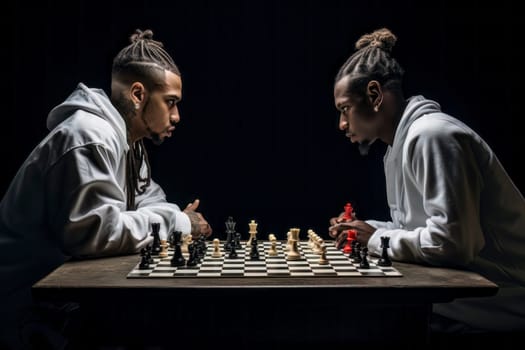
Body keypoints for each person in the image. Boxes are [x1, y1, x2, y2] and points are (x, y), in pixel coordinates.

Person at [0, 28, 212, 349]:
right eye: (170, 102)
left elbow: (151, 203)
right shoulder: (89, 136)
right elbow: (95, 233)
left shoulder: (130, 145)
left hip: (62, 300)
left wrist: (169, 220)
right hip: (21, 305)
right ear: (138, 95)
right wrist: (180, 223)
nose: (176, 116)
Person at [328, 28, 525, 337]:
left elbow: (453, 244)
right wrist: (365, 228)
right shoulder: (398, 147)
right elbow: (417, 230)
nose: (342, 124)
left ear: (375, 95)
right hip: (462, 300)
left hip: (500, 305)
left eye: (344, 109)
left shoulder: (432, 135)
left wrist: (376, 238)